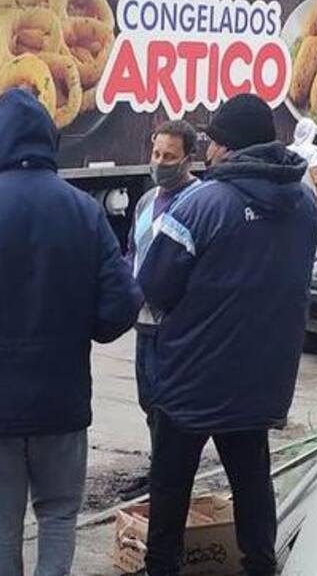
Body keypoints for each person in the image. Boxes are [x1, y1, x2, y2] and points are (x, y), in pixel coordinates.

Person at [0, 89, 142, 576]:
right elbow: (122, 304)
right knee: (58, 516)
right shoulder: (84, 211)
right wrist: (86, 327)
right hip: (61, 403)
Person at [137, 94, 317, 576]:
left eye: (213, 142)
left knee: (171, 485)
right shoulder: (304, 203)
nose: (209, 153)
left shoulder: (203, 203)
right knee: (252, 482)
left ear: (226, 147)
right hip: (262, 377)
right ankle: (261, 567)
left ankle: (162, 569)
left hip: (192, 378)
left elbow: (154, 284)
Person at [119, 120, 202, 501]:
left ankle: (166, 476)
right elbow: (133, 255)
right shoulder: (147, 201)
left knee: (168, 405)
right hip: (144, 320)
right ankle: (157, 469)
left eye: (170, 156)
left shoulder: (200, 201)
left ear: (188, 157)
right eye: (156, 154)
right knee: (147, 399)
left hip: (176, 323)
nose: (160, 162)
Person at [287, 117, 317, 211]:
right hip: (308, 196)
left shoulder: (287, 150)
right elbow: (315, 175)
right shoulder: (313, 150)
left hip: (290, 196)